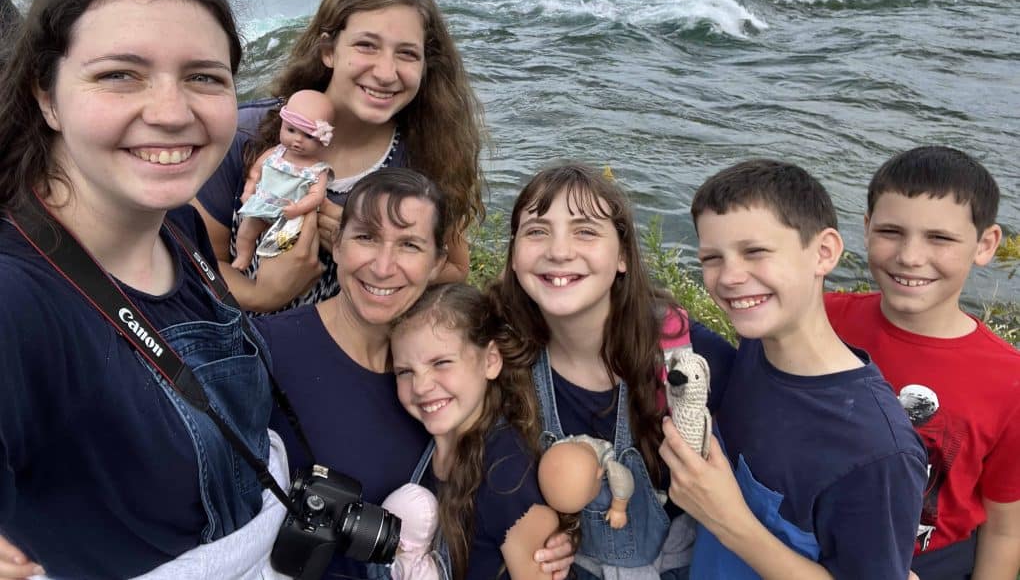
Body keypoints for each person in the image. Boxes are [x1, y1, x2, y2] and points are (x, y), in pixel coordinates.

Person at [0, 0, 285, 579]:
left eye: (204, 77)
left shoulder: (176, 224)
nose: (171, 112)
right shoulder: (16, 298)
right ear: (45, 96)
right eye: (120, 75)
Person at [256, 169, 574, 580]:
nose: (384, 266)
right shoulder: (267, 352)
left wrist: (544, 535)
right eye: (366, 237)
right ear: (337, 244)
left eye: (409, 244)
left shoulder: (455, 374)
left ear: (438, 262)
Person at [660, 159, 928, 580]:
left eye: (755, 252)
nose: (729, 276)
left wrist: (729, 520)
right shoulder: (755, 348)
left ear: (824, 252)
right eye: (711, 257)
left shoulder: (878, 452)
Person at [491, 162, 736, 579]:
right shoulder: (499, 355)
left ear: (622, 255)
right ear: (514, 257)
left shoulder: (690, 359)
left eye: (585, 230)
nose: (559, 250)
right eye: (536, 231)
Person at [196, 0, 485, 313]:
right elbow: (196, 264)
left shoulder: (427, 158)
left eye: (407, 54)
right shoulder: (247, 132)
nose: (385, 72)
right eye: (366, 45)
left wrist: (372, 247)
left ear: (425, 67)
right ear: (329, 51)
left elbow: (455, 269)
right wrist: (264, 296)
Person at [824, 146, 1020, 580]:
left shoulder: (1010, 381)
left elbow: (1005, 529)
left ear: (985, 244)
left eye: (940, 238)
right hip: (814, 539)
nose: (910, 256)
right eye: (891, 231)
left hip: (931, 562)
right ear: (866, 228)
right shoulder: (821, 318)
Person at [390, 282, 561, 580]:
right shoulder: (421, 446)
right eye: (405, 371)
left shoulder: (506, 471)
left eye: (441, 363)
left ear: (491, 360)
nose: (420, 386)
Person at [232, 89, 334, 269]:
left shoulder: (317, 170)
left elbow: (316, 196)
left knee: (283, 246)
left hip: (291, 216)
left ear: (323, 140)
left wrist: (298, 208)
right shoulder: (276, 153)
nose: (297, 140)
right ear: (282, 125)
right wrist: (249, 190)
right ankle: (243, 257)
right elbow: (256, 172)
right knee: (245, 232)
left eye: (308, 136)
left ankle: (274, 269)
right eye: (291, 130)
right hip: (263, 204)